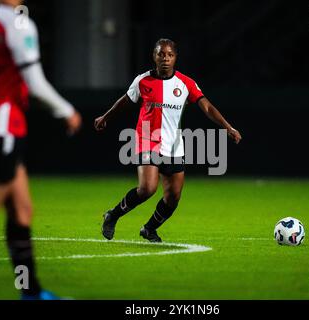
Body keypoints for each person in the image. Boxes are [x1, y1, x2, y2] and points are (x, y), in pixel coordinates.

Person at [0, 0, 82, 299]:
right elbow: (34, 83)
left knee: (21, 211)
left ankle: (29, 291)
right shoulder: (18, 23)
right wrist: (66, 110)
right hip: (1, 132)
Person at [94, 38, 241, 243]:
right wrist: (105, 117)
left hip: (174, 146)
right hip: (147, 140)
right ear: (154, 56)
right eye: (161, 54)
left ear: (175, 58)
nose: (165, 58)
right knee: (147, 188)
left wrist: (228, 127)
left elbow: (207, 107)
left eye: (169, 54)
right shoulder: (142, 81)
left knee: (173, 197)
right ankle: (113, 215)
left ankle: (149, 229)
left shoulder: (185, 83)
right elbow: (125, 101)